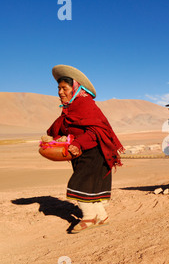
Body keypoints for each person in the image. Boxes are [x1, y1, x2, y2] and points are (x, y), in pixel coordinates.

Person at [47, 65, 124, 233]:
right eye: (58, 88)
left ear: (75, 88)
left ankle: (89, 218)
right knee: (91, 187)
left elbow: (97, 130)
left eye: (64, 88)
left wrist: (78, 144)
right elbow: (61, 126)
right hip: (82, 154)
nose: (60, 92)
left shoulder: (86, 105)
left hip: (95, 153)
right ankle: (101, 217)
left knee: (80, 184)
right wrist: (52, 137)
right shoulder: (70, 108)